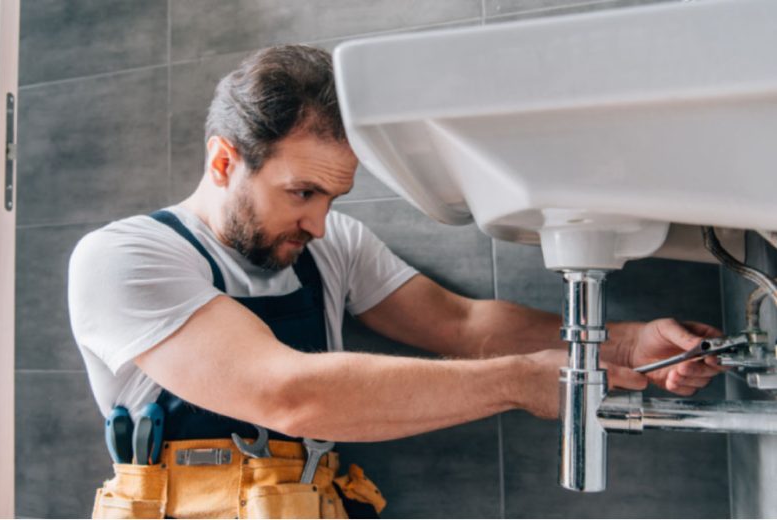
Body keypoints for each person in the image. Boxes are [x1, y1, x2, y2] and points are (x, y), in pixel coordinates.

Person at [69, 45, 723, 519]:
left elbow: (461, 324)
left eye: (333, 198)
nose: (319, 224)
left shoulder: (333, 243)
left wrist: (626, 342)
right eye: (302, 192)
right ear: (223, 162)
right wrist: (519, 382)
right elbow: (286, 395)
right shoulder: (125, 258)